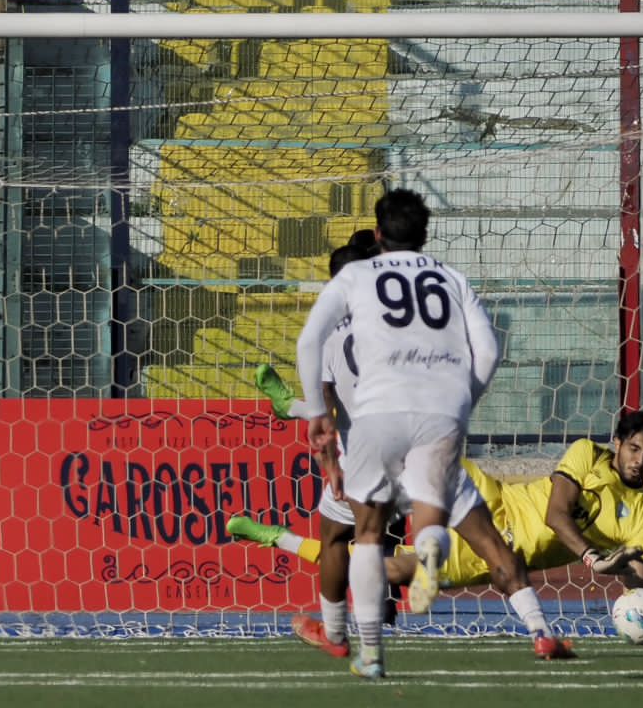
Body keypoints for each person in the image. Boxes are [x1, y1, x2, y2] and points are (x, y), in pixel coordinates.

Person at [244, 234, 580, 665]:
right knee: (493, 546)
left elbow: (324, 411)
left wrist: (324, 455)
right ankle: (540, 632)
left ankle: (337, 633)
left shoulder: (329, 336)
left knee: (339, 540)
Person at [232, 409, 643, 644]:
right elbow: (556, 514)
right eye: (635, 449)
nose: (641, 462)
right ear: (617, 443)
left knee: (380, 570)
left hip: (491, 558)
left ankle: (278, 538)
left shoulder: (642, 517)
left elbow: (636, 581)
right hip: (490, 502)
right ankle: (300, 407)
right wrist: (592, 557)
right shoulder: (586, 453)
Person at [288, 187, 500, 680]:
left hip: (377, 415)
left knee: (365, 534)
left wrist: (318, 410)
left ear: (379, 234)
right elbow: (487, 352)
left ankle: (372, 653)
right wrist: (460, 400)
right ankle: (430, 548)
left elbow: (308, 339)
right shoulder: (451, 276)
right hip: (441, 410)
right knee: (430, 512)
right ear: (424, 235)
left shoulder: (357, 274)